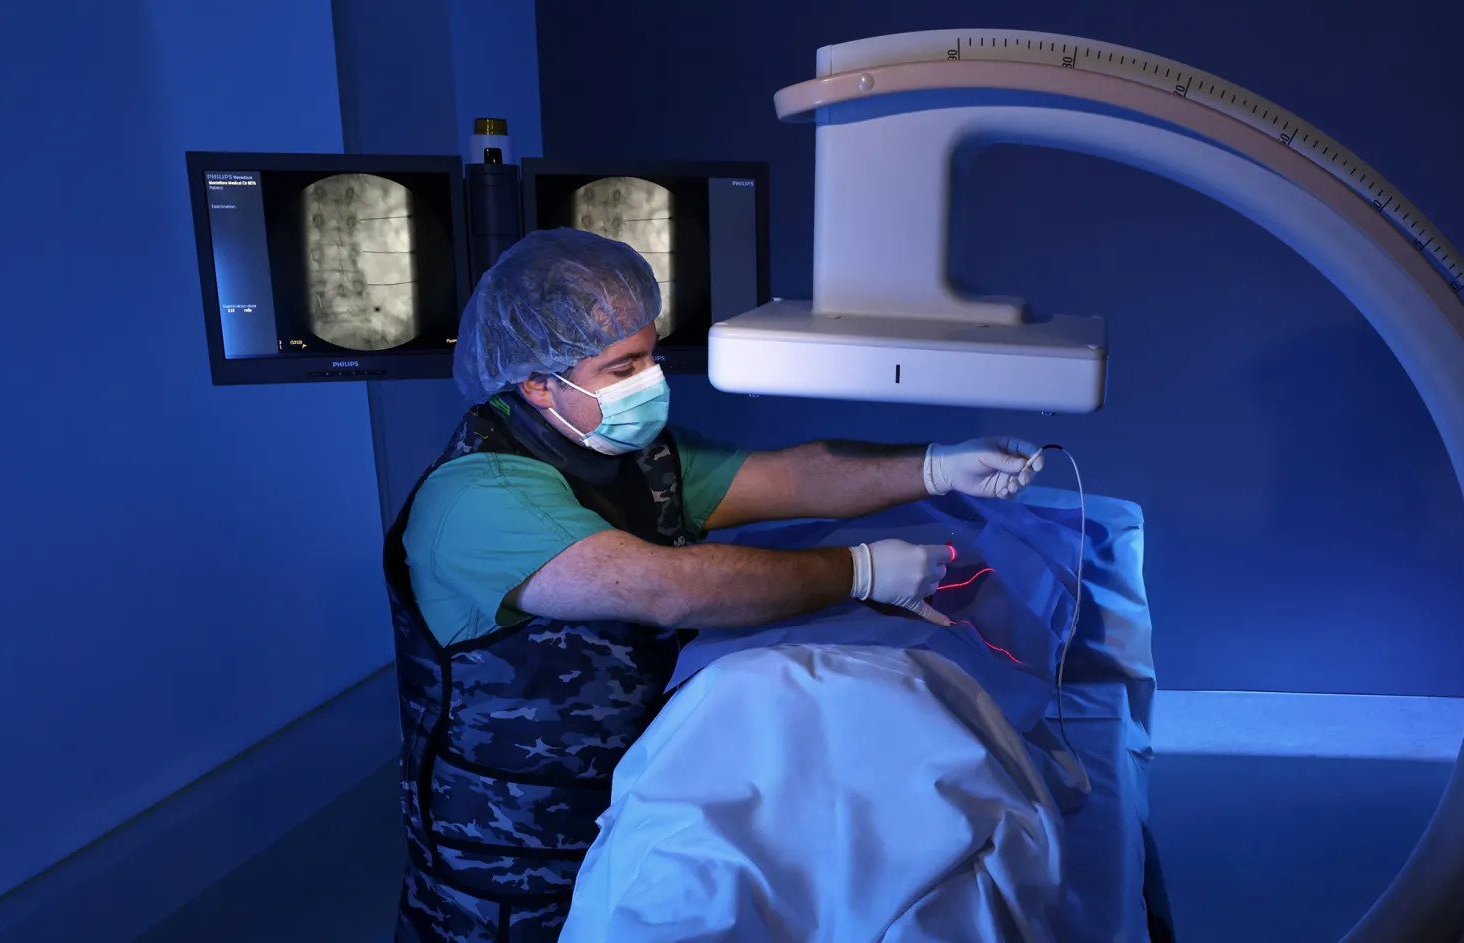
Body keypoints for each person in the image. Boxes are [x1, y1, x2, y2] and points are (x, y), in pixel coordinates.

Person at [385, 228, 1045, 943]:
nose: (651, 379)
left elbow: (790, 476)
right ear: (539, 381)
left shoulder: (634, 456)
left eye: (651, 353)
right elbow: (665, 588)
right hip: (510, 862)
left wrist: (935, 466)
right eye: (623, 365)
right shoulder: (476, 499)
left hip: (638, 815)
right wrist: (860, 572)